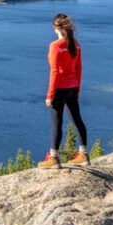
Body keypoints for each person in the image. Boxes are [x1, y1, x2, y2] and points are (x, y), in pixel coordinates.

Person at [38, 13, 90, 168]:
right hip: (73, 88)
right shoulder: (76, 44)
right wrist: (78, 89)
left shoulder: (55, 46)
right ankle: (84, 155)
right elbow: (78, 68)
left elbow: (54, 72)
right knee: (77, 120)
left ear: (55, 28)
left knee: (56, 123)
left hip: (60, 89)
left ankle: (53, 158)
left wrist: (50, 95)